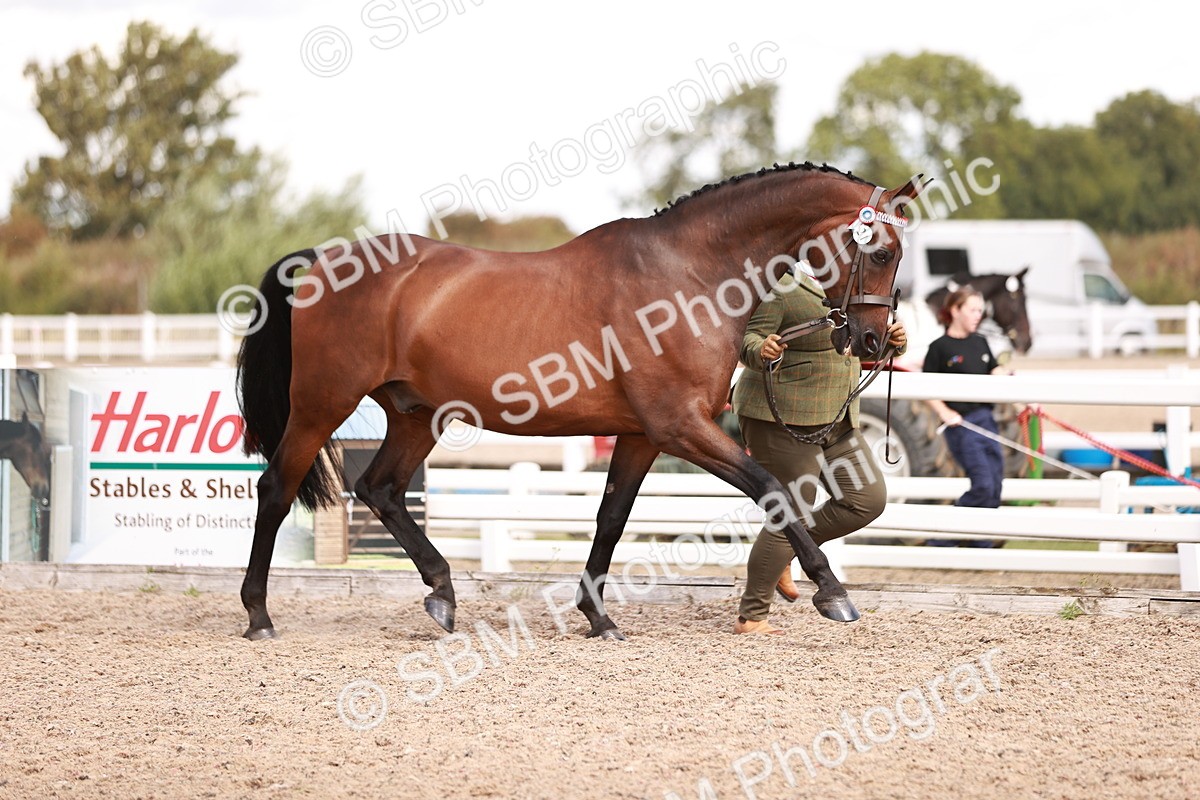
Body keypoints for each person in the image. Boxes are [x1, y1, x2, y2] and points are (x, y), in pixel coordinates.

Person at [731, 267, 907, 635]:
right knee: (791, 510)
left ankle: (787, 549)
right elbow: (747, 339)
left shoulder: (850, 283)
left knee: (867, 499)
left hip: (837, 416)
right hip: (781, 415)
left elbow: (860, 339)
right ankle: (752, 616)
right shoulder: (780, 283)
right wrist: (761, 349)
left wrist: (894, 341)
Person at [922, 286, 1008, 546]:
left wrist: (1010, 378)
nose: (978, 315)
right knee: (982, 484)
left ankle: (981, 544)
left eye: (981, 311)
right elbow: (926, 387)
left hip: (987, 421)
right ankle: (943, 539)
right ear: (955, 310)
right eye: (973, 310)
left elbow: (994, 370)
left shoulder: (980, 342)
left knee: (994, 485)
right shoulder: (939, 347)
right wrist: (944, 412)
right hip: (962, 425)